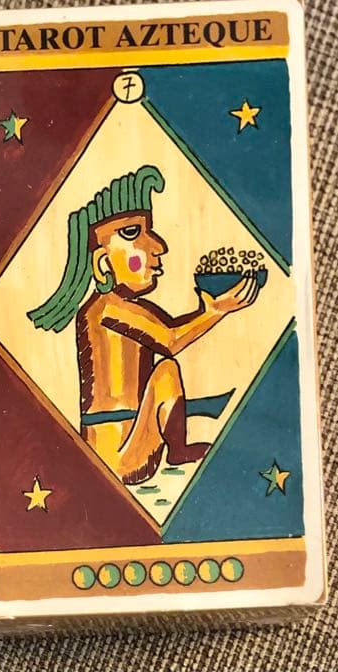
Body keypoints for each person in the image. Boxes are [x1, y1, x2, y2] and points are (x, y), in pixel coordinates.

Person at [28, 165, 261, 485]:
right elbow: (171, 340)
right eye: (131, 233)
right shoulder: (106, 308)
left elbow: (169, 332)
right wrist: (215, 311)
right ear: (103, 262)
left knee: (164, 370)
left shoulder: (126, 308)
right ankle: (177, 449)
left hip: (131, 438)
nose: (158, 245)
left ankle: (178, 444)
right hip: (116, 455)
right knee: (166, 370)